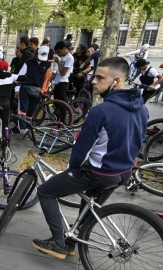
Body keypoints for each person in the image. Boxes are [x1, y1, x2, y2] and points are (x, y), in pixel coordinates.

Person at [32, 57, 148, 259]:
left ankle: (58, 243)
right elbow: (138, 141)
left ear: (116, 81)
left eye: (100, 78)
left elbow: (81, 150)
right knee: (89, 207)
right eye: (94, 76)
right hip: (123, 172)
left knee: (45, 192)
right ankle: (71, 242)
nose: (93, 81)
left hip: (99, 172)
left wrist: (72, 169)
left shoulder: (100, 111)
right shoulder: (142, 108)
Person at [16, 46, 52, 137]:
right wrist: (17, 89)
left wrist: (42, 91)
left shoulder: (47, 65)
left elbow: (46, 80)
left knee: (30, 112)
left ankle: (28, 129)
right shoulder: (28, 62)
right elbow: (20, 76)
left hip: (37, 91)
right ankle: (22, 129)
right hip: (25, 88)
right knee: (22, 110)